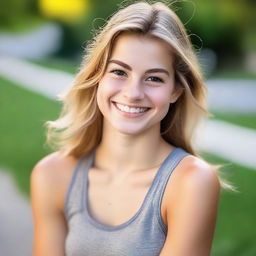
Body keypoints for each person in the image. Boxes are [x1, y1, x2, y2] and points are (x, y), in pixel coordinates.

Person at [30, 1, 222, 255]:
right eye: (119, 72)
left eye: (154, 78)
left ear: (176, 89)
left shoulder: (191, 183)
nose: (133, 93)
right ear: (98, 76)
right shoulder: (52, 175)